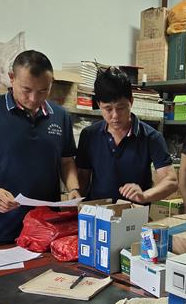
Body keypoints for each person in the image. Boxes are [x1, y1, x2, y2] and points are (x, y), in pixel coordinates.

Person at [0, 50, 80, 248]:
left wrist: (73, 189)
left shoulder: (60, 116)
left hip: (47, 227)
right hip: (3, 225)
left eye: (43, 90)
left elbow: (66, 161)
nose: (34, 98)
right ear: (12, 78)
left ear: (51, 83)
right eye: (26, 90)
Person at [76, 67, 177, 203]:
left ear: (131, 101)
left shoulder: (151, 137)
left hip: (134, 212)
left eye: (121, 108)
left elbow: (171, 181)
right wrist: (75, 197)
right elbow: (82, 180)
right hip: (97, 212)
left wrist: (144, 196)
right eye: (108, 109)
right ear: (99, 105)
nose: (115, 116)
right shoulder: (89, 135)